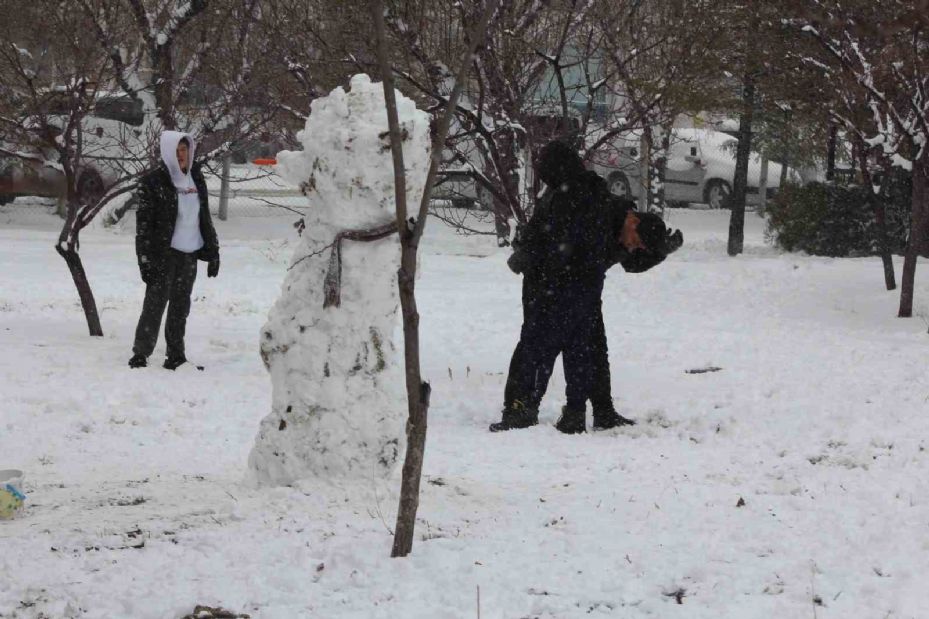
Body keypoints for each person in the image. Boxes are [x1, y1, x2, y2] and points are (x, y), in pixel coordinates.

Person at [490, 141, 681, 433]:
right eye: (636, 241)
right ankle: (520, 409)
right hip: (551, 284)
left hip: (580, 286)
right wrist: (534, 257)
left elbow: (630, 263)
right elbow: (553, 241)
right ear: (633, 222)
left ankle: (601, 410)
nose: (633, 247)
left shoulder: (609, 212)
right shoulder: (589, 204)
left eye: (639, 246)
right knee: (539, 344)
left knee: (592, 347)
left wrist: (658, 253)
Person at [128, 131, 220, 370]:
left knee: (180, 306)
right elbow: (144, 227)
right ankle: (141, 352)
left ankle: (176, 355)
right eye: (178, 150)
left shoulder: (196, 178)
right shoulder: (153, 182)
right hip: (164, 254)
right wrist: (145, 260)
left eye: (185, 150)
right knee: (155, 304)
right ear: (168, 152)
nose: (182, 155)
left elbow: (204, 217)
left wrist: (213, 250)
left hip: (189, 253)